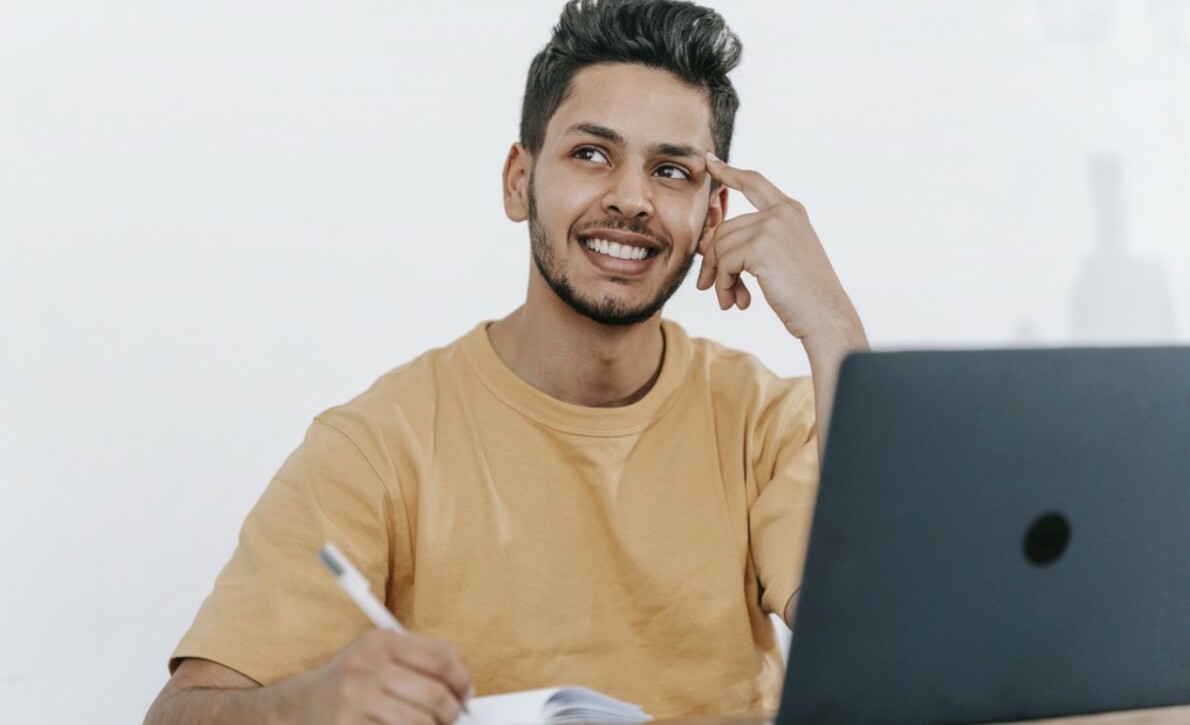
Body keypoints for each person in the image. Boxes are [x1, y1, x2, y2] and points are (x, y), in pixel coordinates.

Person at [144, 0, 868, 722]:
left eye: (672, 171)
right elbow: (180, 711)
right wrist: (309, 705)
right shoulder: (378, 445)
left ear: (712, 217)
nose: (630, 199)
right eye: (591, 154)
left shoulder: (772, 425)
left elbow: (892, 651)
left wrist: (832, 328)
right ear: (519, 182)